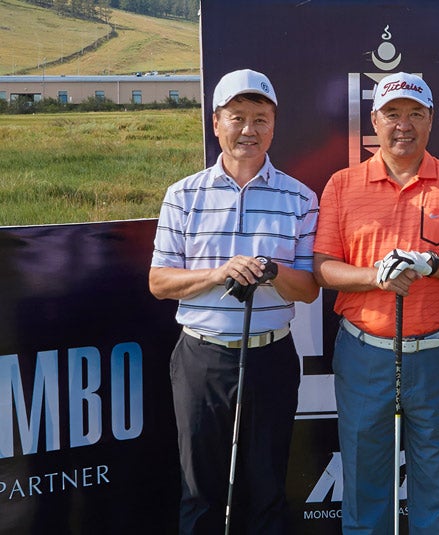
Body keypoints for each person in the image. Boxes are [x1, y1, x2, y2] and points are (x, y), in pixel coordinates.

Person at [312, 71, 439, 534]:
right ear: (374, 120)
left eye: (415, 113)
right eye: (392, 114)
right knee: (365, 490)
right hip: (365, 353)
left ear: (431, 120)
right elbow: (324, 268)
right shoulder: (342, 185)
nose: (403, 125)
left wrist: (433, 264)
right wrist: (374, 277)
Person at [149, 68, 319, 534]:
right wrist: (219, 273)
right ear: (216, 121)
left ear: (274, 124)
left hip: (270, 357)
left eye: (260, 118)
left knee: (267, 489)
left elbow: (307, 290)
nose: (249, 129)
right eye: (237, 117)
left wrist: (271, 269)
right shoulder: (183, 195)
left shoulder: (300, 198)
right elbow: (160, 282)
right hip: (201, 358)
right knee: (200, 490)